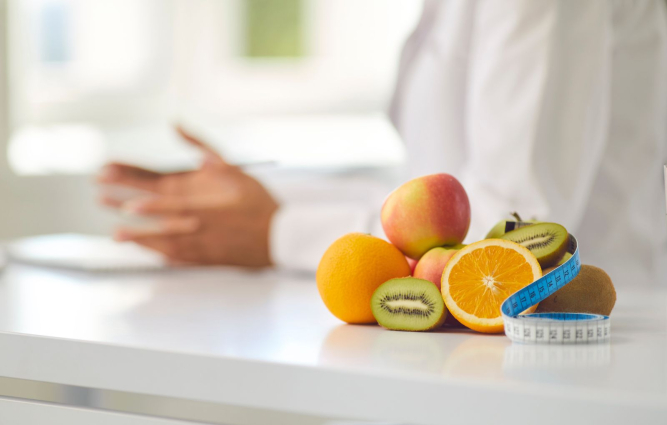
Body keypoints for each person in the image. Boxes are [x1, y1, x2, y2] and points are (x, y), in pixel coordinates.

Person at [98, 0, 667, 286]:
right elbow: (438, 195)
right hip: (476, 366)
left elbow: (515, 228)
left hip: (571, 386)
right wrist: (253, 199)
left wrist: (278, 232)